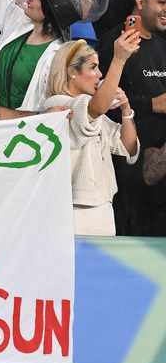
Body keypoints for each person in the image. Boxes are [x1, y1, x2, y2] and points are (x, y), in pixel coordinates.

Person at [43, 33, 140, 235]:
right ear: (72, 72)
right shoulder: (55, 106)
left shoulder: (94, 112)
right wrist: (118, 60)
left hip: (104, 209)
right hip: (74, 210)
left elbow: (128, 148)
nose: (99, 74)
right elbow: (94, 109)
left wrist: (126, 111)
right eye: (93, 67)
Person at [99, 0, 166, 236]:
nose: (165, 9)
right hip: (124, 162)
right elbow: (99, 103)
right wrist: (151, 104)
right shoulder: (114, 43)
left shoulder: (163, 47)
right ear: (140, 2)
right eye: (161, 2)